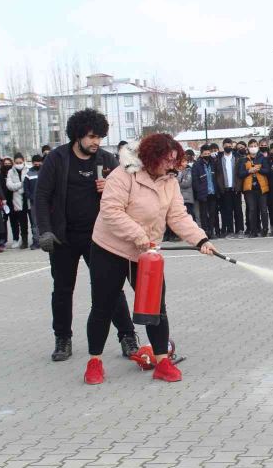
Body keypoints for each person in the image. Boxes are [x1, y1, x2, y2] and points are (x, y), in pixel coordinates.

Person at [85, 134, 218, 385]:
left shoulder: (170, 182)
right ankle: (94, 362)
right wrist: (139, 235)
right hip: (109, 249)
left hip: (146, 254)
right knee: (103, 306)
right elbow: (111, 211)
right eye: (167, 160)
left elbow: (178, 215)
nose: (172, 166)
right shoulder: (123, 175)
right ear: (151, 157)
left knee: (156, 307)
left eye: (175, 161)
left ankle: (162, 361)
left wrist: (201, 240)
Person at [35, 108, 138, 362]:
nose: (96, 142)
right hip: (63, 238)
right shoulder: (57, 159)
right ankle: (63, 339)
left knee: (110, 289)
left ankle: (128, 337)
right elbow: (41, 196)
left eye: (100, 137)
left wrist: (110, 189)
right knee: (62, 289)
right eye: (92, 136)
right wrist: (45, 230)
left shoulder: (107, 160)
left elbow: (130, 196)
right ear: (78, 135)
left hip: (101, 239)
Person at [239, 140, 269, 238]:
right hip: (249, 189)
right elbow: (240, 174)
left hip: (261, 188)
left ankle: (265, 229)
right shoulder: (244, 159)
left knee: (264, 210)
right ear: (248, 147)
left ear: (258, 147)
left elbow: (267, 171)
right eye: (251, 146)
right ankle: (253, 230)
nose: (253, 147)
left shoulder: (263, 158)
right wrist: (249, 171)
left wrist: (259, 169)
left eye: (255, 145)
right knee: (252, 210)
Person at [214, 138, 242, 239]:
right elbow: (217, 174)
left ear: (232, 146)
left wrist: (239, 186)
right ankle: (230, 231)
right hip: (225, 189)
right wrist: (220, 187)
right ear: (223, 146)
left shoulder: (237, 157)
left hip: (236, 188)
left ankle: (239, 230)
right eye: (226, 145)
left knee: (238, 210)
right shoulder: (219, 158)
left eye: (230, 145)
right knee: (228, 211)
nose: (228, 147)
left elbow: (240, 173)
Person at [191, 144, 218, 239]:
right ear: (201, 154)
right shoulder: (196, 165)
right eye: (205, 153)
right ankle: (205, 232)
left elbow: (217, 177)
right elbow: (195, 181)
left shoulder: (213, 163)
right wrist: (199, 190)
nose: (207, 155)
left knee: (212, 213)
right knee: (203, 214)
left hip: (213, 192)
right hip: (203, 193)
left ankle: (212, 231)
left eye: (208, 153)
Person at [6, 153, 30, 249]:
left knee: (33, 222)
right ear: (14, 162)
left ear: (23, 161)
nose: (18, 164)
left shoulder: (28, 169)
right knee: (22, 223)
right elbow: (9, 185)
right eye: (17, 162)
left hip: (29, 198)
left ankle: (37, 240)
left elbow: (30, 183)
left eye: (20, 162)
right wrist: (21, 184)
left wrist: (23, 186)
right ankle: (24, 241)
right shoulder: (11, 172)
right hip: (18, 201)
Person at [23, 154, 42, 249]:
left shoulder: (45, 171)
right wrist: (30, 196)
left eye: (39, 161)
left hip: (45, 202)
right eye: (35, 162)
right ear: (33, 163)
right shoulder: (29, 173)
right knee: (35, 223)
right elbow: (25, 187)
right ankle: (36, 241)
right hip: (34, 202)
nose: (37, 163)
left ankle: (46, 241)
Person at [177, 149, 196, 220]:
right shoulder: (177, 171)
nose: (185, 163)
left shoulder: (189, 170)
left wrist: (179, 180)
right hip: (179, 198)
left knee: (190, 216)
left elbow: (186, 183)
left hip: (188, 198)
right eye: (183, 162)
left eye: (186, 161)